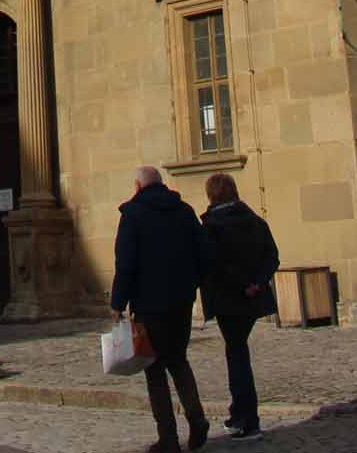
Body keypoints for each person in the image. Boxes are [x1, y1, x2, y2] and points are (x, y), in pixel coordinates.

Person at [109, 165, 209, 453]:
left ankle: (168, 438)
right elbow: (204, 253)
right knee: (178, 361)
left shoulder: (132, 215)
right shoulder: (184, 211)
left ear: (138, 187)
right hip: (181, 302)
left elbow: (125, 264)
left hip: (149, 305)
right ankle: (196, 416)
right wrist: (192, 284)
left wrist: (118, 303)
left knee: (154, 370)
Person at [200, 173, 279, 441]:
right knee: (237, 352)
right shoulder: (254, 221)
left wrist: (245, 284)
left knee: (237, 356)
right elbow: (272, 256)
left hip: (229, 299)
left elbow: (216, 265)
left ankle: (247, 419)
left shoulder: (212, 226)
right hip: (252, 297)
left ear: (211, 195)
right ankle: (240, 414)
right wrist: (257, 282)